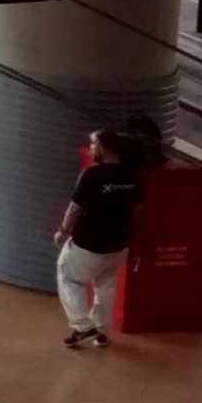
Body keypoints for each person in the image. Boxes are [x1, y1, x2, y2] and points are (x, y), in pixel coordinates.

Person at [54, 127, 143, 349]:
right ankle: (102, 332)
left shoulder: (92, 175)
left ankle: (83, 326)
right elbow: (137, 210)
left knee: (68, 277)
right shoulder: (130, 176)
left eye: (93, 144)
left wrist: (63, 231)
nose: (91, 148)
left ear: (103, 148)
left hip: (89, 244)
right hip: (119, 245)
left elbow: (74, 208)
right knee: (105, 285)